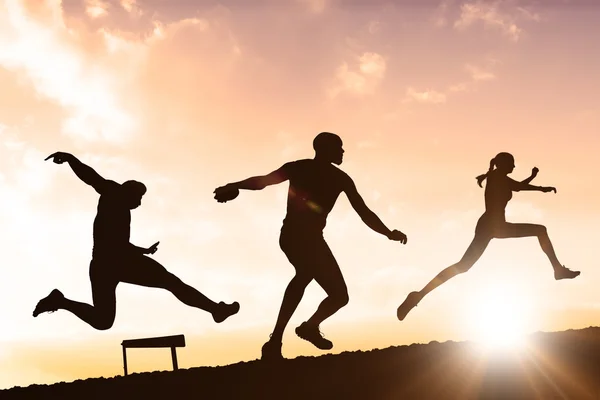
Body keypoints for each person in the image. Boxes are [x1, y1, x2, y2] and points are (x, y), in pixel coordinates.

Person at [214, 132, 407, 360]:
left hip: (314, 239)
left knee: (339, 297)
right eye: (339, 147)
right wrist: (232, 185)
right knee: (305, 273)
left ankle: (307, 328)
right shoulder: (301, 168)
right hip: (293, 236)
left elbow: (363, 212)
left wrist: (387, 232)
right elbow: (263, 181)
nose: (343, 152)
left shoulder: (340, 178)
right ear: (325, 150)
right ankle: (275, 341)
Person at [33, 152, 239, 329]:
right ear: (128, 192)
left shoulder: (122, 209)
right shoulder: (112, 192)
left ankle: (215, 309)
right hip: (109, 265)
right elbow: (90, 176)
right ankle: (61, 302)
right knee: (104, 321)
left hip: (116, 262)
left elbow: (118, 243)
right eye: (138, 197)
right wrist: (70, 159)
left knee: (170, 283)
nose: (140, 203)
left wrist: (144, 250)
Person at [397, 152, 580, 321]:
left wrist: (537, 183)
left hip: (493, 227)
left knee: (463, 266)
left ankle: (418, 295)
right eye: (512, 164)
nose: (514, 167)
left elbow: (516, 186)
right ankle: (558, 270)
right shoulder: (495, 177)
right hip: (493, 226)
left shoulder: (498, 177)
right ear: (503, 164)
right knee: (540, 230)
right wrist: (538, 185)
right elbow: (517, 186)